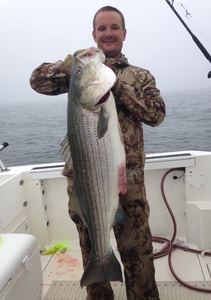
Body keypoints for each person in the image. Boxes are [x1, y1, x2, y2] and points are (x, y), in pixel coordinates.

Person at [30, 6, 166, 300]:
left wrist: (117, 84)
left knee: (139, 256)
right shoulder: (78, 74)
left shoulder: (139, 76)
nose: (108, 33)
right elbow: (37, 80)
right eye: (102, 28)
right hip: (87, 184)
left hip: (129, 186)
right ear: (93, 35)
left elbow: (156, 115)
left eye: (114, 27)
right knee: (93, 249)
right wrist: (77, 64)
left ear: (124, 34)